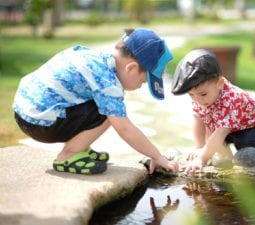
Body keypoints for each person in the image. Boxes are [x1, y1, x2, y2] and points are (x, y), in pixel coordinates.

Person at [13, 28, 179, 175]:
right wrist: (157, 156)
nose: (141, 86)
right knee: (111, 112)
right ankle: (69, 155)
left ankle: (80, 147)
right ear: (131, 68)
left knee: (106, 105)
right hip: (40, 124)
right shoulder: (106, 82)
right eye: (143, 82)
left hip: (25, 113)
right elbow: (125, 129)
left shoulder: (95, 59)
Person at [171, 49, 255, 175]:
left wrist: (201, 159)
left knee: (243, 143)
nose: (198, 100)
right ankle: (229, 164)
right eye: (191, 95)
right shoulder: (201, 97)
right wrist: (200, 147)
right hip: (234, 127)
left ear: (220, 83)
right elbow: (199, 120)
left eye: (203, 94)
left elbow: (221, 132)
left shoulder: (232, 98)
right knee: (214, 139)